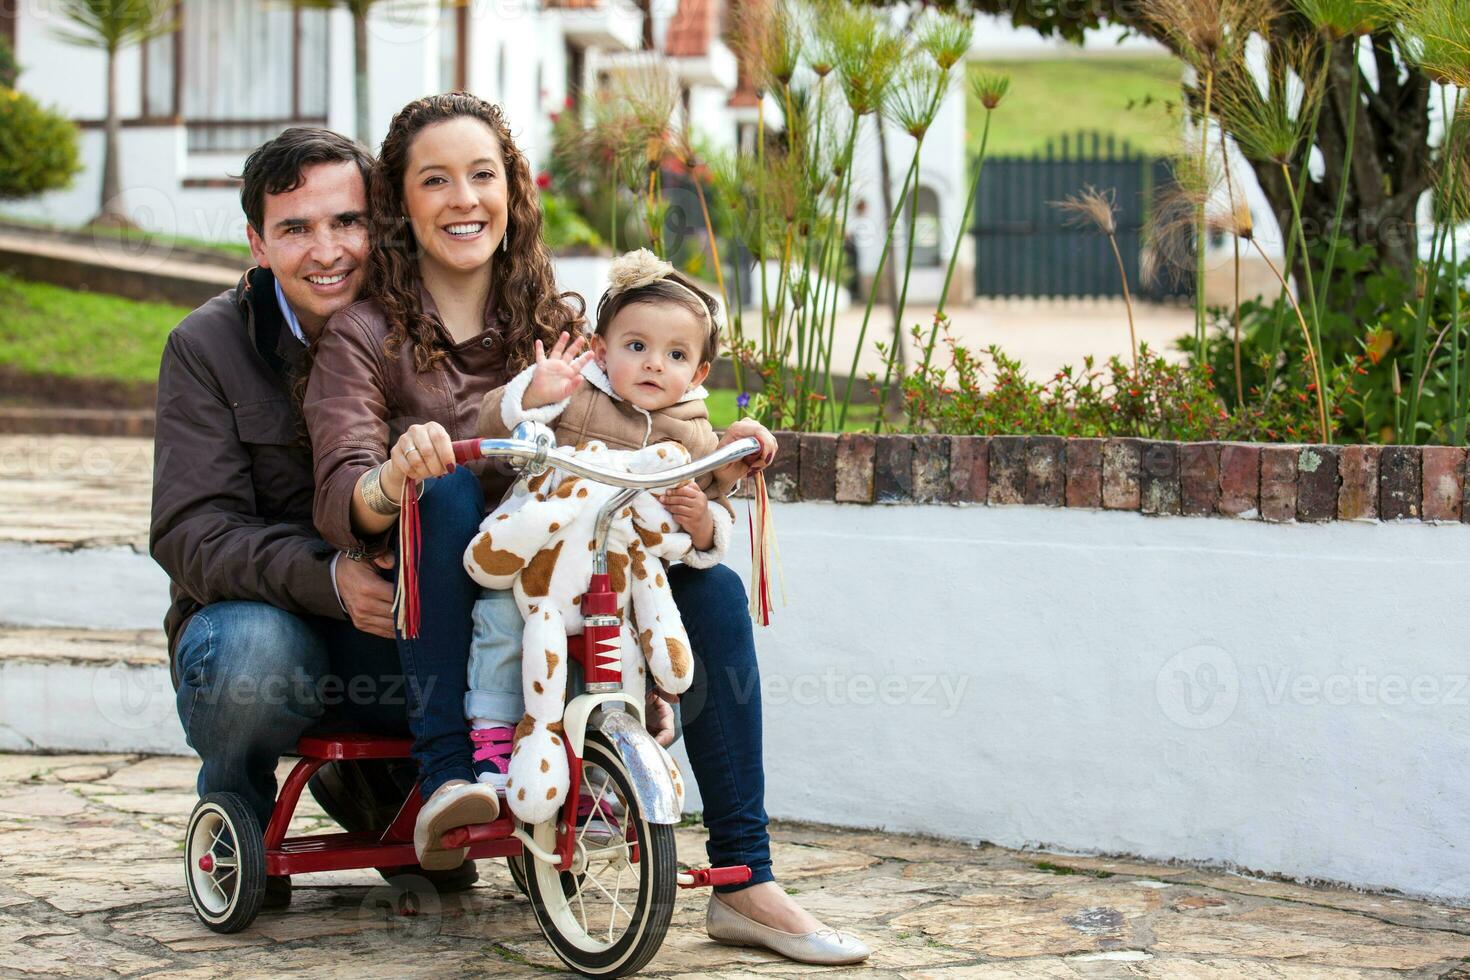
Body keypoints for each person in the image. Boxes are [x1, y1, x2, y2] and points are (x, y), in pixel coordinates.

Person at [304, 92, 869, 964]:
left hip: (570, 582)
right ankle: (452, 775)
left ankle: (745, 877)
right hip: (437, 616)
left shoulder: (566, 326)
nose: (464, 199)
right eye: (436, 180)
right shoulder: (364, 334)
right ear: (400, 202)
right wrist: (396, 471)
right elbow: (344, 492)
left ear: (513, 189)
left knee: (711, 588)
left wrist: (714, 472)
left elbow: (665, 429)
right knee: (450, 488)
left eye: (482, 175)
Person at [149, 128, 477, 909]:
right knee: (254, 654)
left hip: (402, 623)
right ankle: (237, 802)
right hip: (267, 625)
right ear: (258, 244)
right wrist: (330, 576)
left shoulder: (418, 326)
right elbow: (190, 531)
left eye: (348, 222)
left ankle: (387, 790)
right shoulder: (206, 346)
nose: (326, 250)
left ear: (381, 225)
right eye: (295, 229)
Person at [461, 248, 760, 788]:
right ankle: (491, 733)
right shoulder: (575, 394)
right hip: (541, 558)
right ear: (600, 349)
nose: (653, 364)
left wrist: (701, 521)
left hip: (620, 576)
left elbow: (715, 499)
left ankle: (606, 770)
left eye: (675, 355)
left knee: (621, 658)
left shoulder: (692, 432)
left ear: (700, 371)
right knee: (501, 621)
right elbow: (498, 433)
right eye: (637, 346)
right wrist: (533, 395)